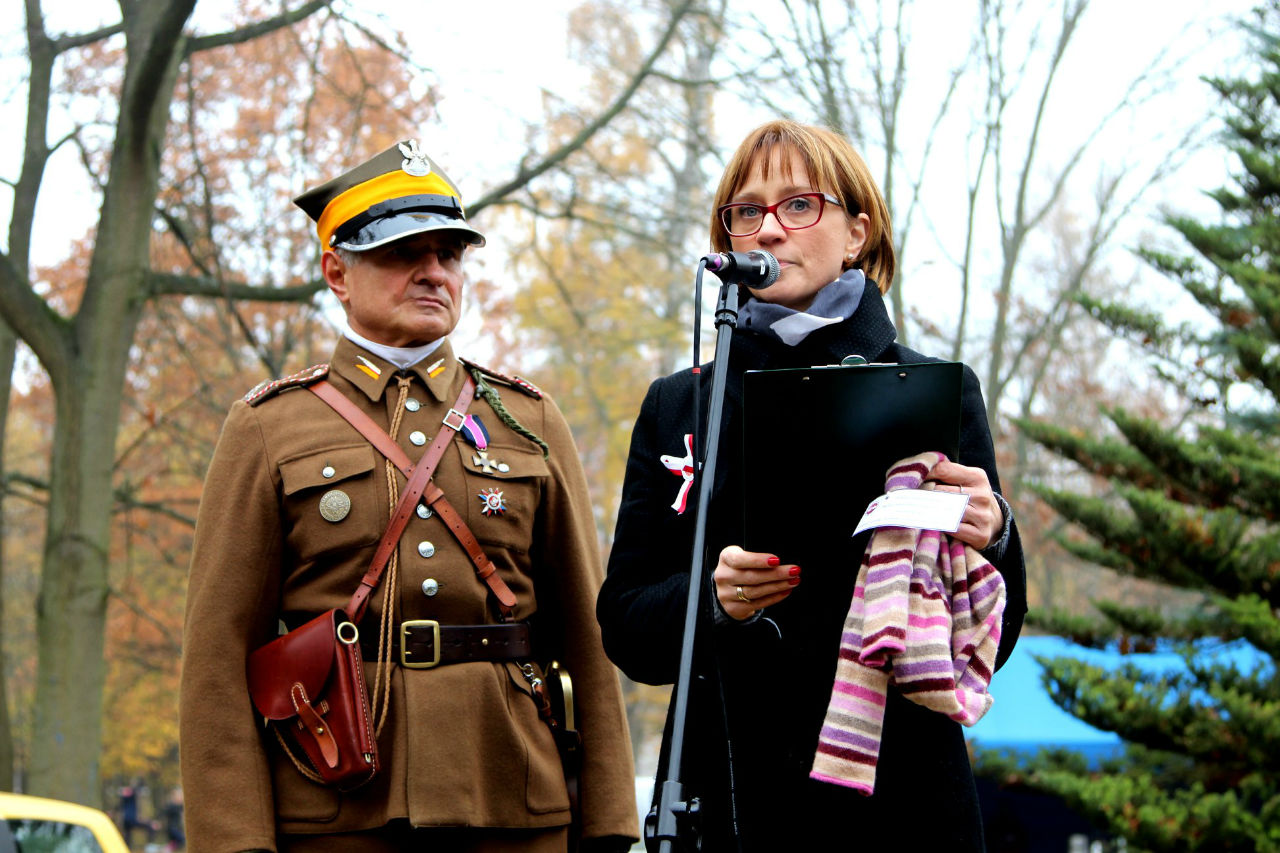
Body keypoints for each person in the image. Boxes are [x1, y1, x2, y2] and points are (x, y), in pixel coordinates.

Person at [180, 139, 638, 852]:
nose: (434, 272)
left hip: (513, 801)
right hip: (338, 808)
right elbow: (218, 656)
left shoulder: (529, 419)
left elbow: (585, 631)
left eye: (449, 254)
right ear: (337, 272)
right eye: (402, 254)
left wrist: (608, 822)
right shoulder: (270, 426)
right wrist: (235, 841)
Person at [596, 119, 1027, 851]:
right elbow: (627, 629)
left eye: (799, 204)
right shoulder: (680, 402)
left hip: (898, 797)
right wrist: (713, 598)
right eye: (747, 211)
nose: (769, 229)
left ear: (857, 232)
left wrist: (997, 536)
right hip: (728, 791)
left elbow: (989, 639)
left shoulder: (933, 391)